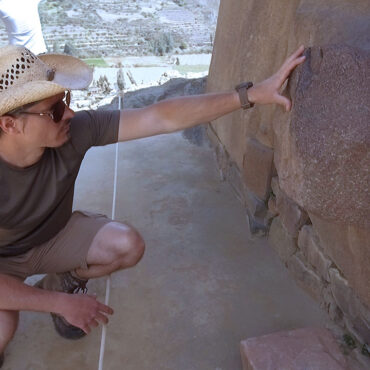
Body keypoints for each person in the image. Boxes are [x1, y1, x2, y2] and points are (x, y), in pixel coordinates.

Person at [0, 44, 305, 367]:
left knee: (126, 245)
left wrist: (251, 95)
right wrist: (60, 305)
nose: (71, 113)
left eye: (67, 101)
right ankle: (51, 295)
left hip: (53, 237)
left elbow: (160, 117)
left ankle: (62, 278)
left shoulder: (75, 132)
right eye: (56, 110)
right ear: (10, 124)